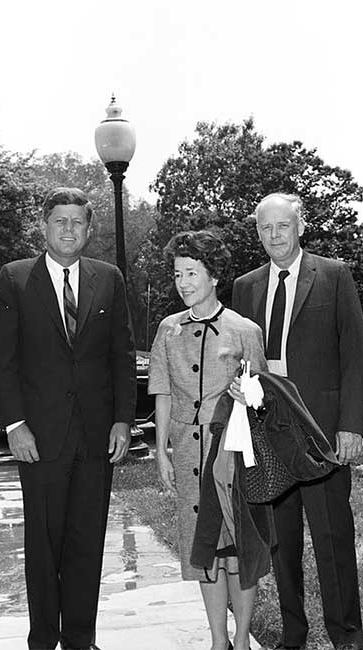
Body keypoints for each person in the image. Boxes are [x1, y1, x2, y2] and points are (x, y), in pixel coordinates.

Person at [0, 187, 136, 650]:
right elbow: (2, 361)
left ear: (89, 230)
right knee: (44, 544)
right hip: (40, 437)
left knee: (86, 543)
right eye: (60, 221)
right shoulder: (14, 279)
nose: (69, 229)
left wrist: (123, 421)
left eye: (77, 222)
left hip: (96, 436)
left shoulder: (108, 278)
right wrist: (14, 425)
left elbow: (122, 355)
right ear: (44, 226)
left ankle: (80, 637)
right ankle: (43, 638)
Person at [231, 193, 363, 650]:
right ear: (258, 233)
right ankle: (294, 636)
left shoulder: (333, 276)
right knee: (281, 543)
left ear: (300, 226)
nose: (275, 235)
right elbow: (240, 362)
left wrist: (351, 425)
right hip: (270, 432)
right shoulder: (245, 287)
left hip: (323, 432)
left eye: (283, 226)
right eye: (265, 228)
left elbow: (354, 357)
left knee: (332, 536)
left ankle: (346, 635)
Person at [147, 230, 273, 650]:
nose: (182, 282)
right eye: (177, 273)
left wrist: (248, 395)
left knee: (239, 547)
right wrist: (162, 450)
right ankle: (218, 639)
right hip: (187, 453)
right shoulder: (168, 329)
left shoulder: (244, 329)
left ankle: (241, 639)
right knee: (204, 548)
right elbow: (162, 392)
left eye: (191, 273)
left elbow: (264, 396)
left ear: (213, 276)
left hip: (233, 456)